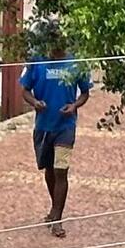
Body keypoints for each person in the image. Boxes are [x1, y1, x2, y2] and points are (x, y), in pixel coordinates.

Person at [17, 21, 92, 236]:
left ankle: (57, 219)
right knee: (49, 169)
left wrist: (74, 106)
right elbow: (25, 90)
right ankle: (54, 208)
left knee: (61, 170)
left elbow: (85, 92)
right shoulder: (36, 62)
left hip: (65, 126)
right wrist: (35, 102)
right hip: (43, 126)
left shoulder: (76, 63)